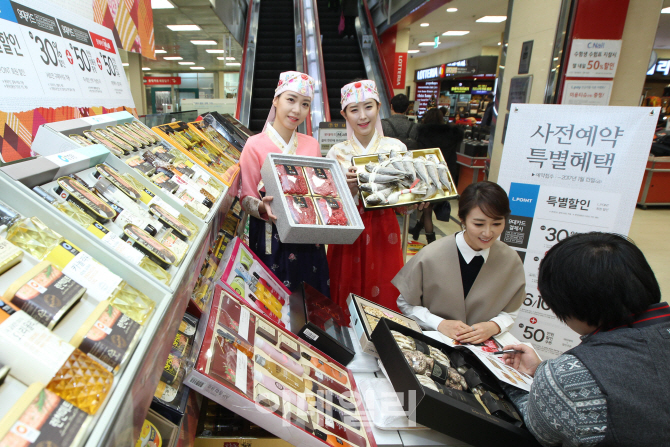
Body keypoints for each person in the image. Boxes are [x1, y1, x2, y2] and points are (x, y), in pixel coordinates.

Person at [502, 232, 669, 447]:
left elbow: (541, 430)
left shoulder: (568, 377)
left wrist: (514, 383)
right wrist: (544, 371)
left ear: (570, 305)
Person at [392, 181, 524, 344]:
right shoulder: (432, 255)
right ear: (462, 219)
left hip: (483, 348)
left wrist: (494, 326)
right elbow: (405, 302)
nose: (488, 232)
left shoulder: (510, 260)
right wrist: (439, 323)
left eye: (497, 224)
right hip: (433, 342)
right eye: (478, 224)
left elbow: (511, 309)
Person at [238, 71, 329, 296]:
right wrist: (261, 207)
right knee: (272, 302)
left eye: (305, 104)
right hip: (270, 237)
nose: (297, 110)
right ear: (275, 100)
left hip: (308, 238)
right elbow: (245, 198)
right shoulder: (254, 145)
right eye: (291, 100)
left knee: (309, 302)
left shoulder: (312, 145)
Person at [326, 80, 407, 311]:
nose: (362, 116)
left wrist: (415, 200)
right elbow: (327, 204)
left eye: (368, 107)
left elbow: (404, 203)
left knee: (383, 283)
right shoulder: (336, 152)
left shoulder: (396, 148)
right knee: (344, 285)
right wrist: (348, 189)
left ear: (379, 107)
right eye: (354, 109)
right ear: (344, 114)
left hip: (384, 227)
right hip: (348, 230)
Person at [408, 108, 463, 243]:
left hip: (427, 175)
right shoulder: (452, 134)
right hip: (445, 175)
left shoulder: (422, 133)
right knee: (430, 206)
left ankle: (430, 240)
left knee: (427, 209)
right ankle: (417, 229)